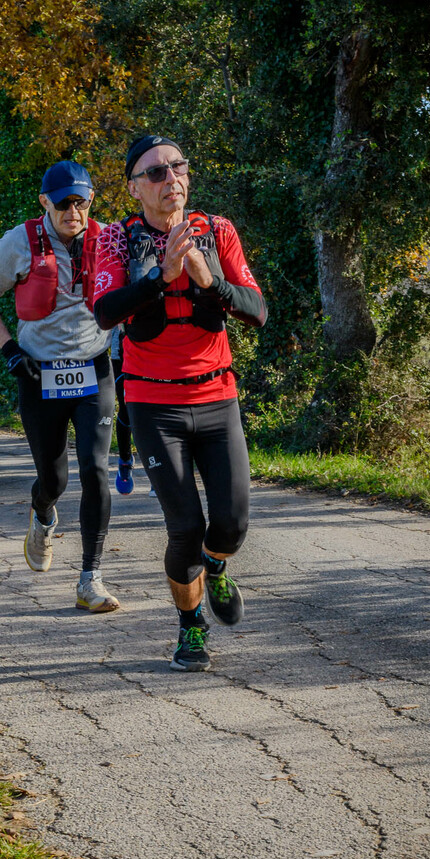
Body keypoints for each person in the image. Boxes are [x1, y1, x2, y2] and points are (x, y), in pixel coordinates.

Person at [93, 135, 268, 670]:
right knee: (185, 527)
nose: (170, 178)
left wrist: (208, 280)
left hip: (217, 396)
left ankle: (216, 567)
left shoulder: (217, 230)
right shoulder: (115, 239)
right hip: (153, 403)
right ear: (134, 188)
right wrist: (159, 277)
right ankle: (190, 627)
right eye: (155, 172)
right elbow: (105, 311)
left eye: (178, 167)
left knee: (232, 524)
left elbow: (257, 310)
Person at [0, 160, 120, 613]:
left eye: (81, 202)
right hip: (40, 375)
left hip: (94, 370)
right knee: (54, 479)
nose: (73, 212)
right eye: (63, 204)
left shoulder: (109, 240)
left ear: (90, 200)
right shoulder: (18, 242)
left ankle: (91, 578)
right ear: (44, 202)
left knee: (96, 469)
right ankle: (42, 516)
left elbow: (130, 298)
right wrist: (9, 350)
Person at [111, 325, 135, 494]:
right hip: (121, 350)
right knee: (126, 407)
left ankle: (157, 467)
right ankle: (125, 460)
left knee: (152, 409)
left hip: (154, 348)